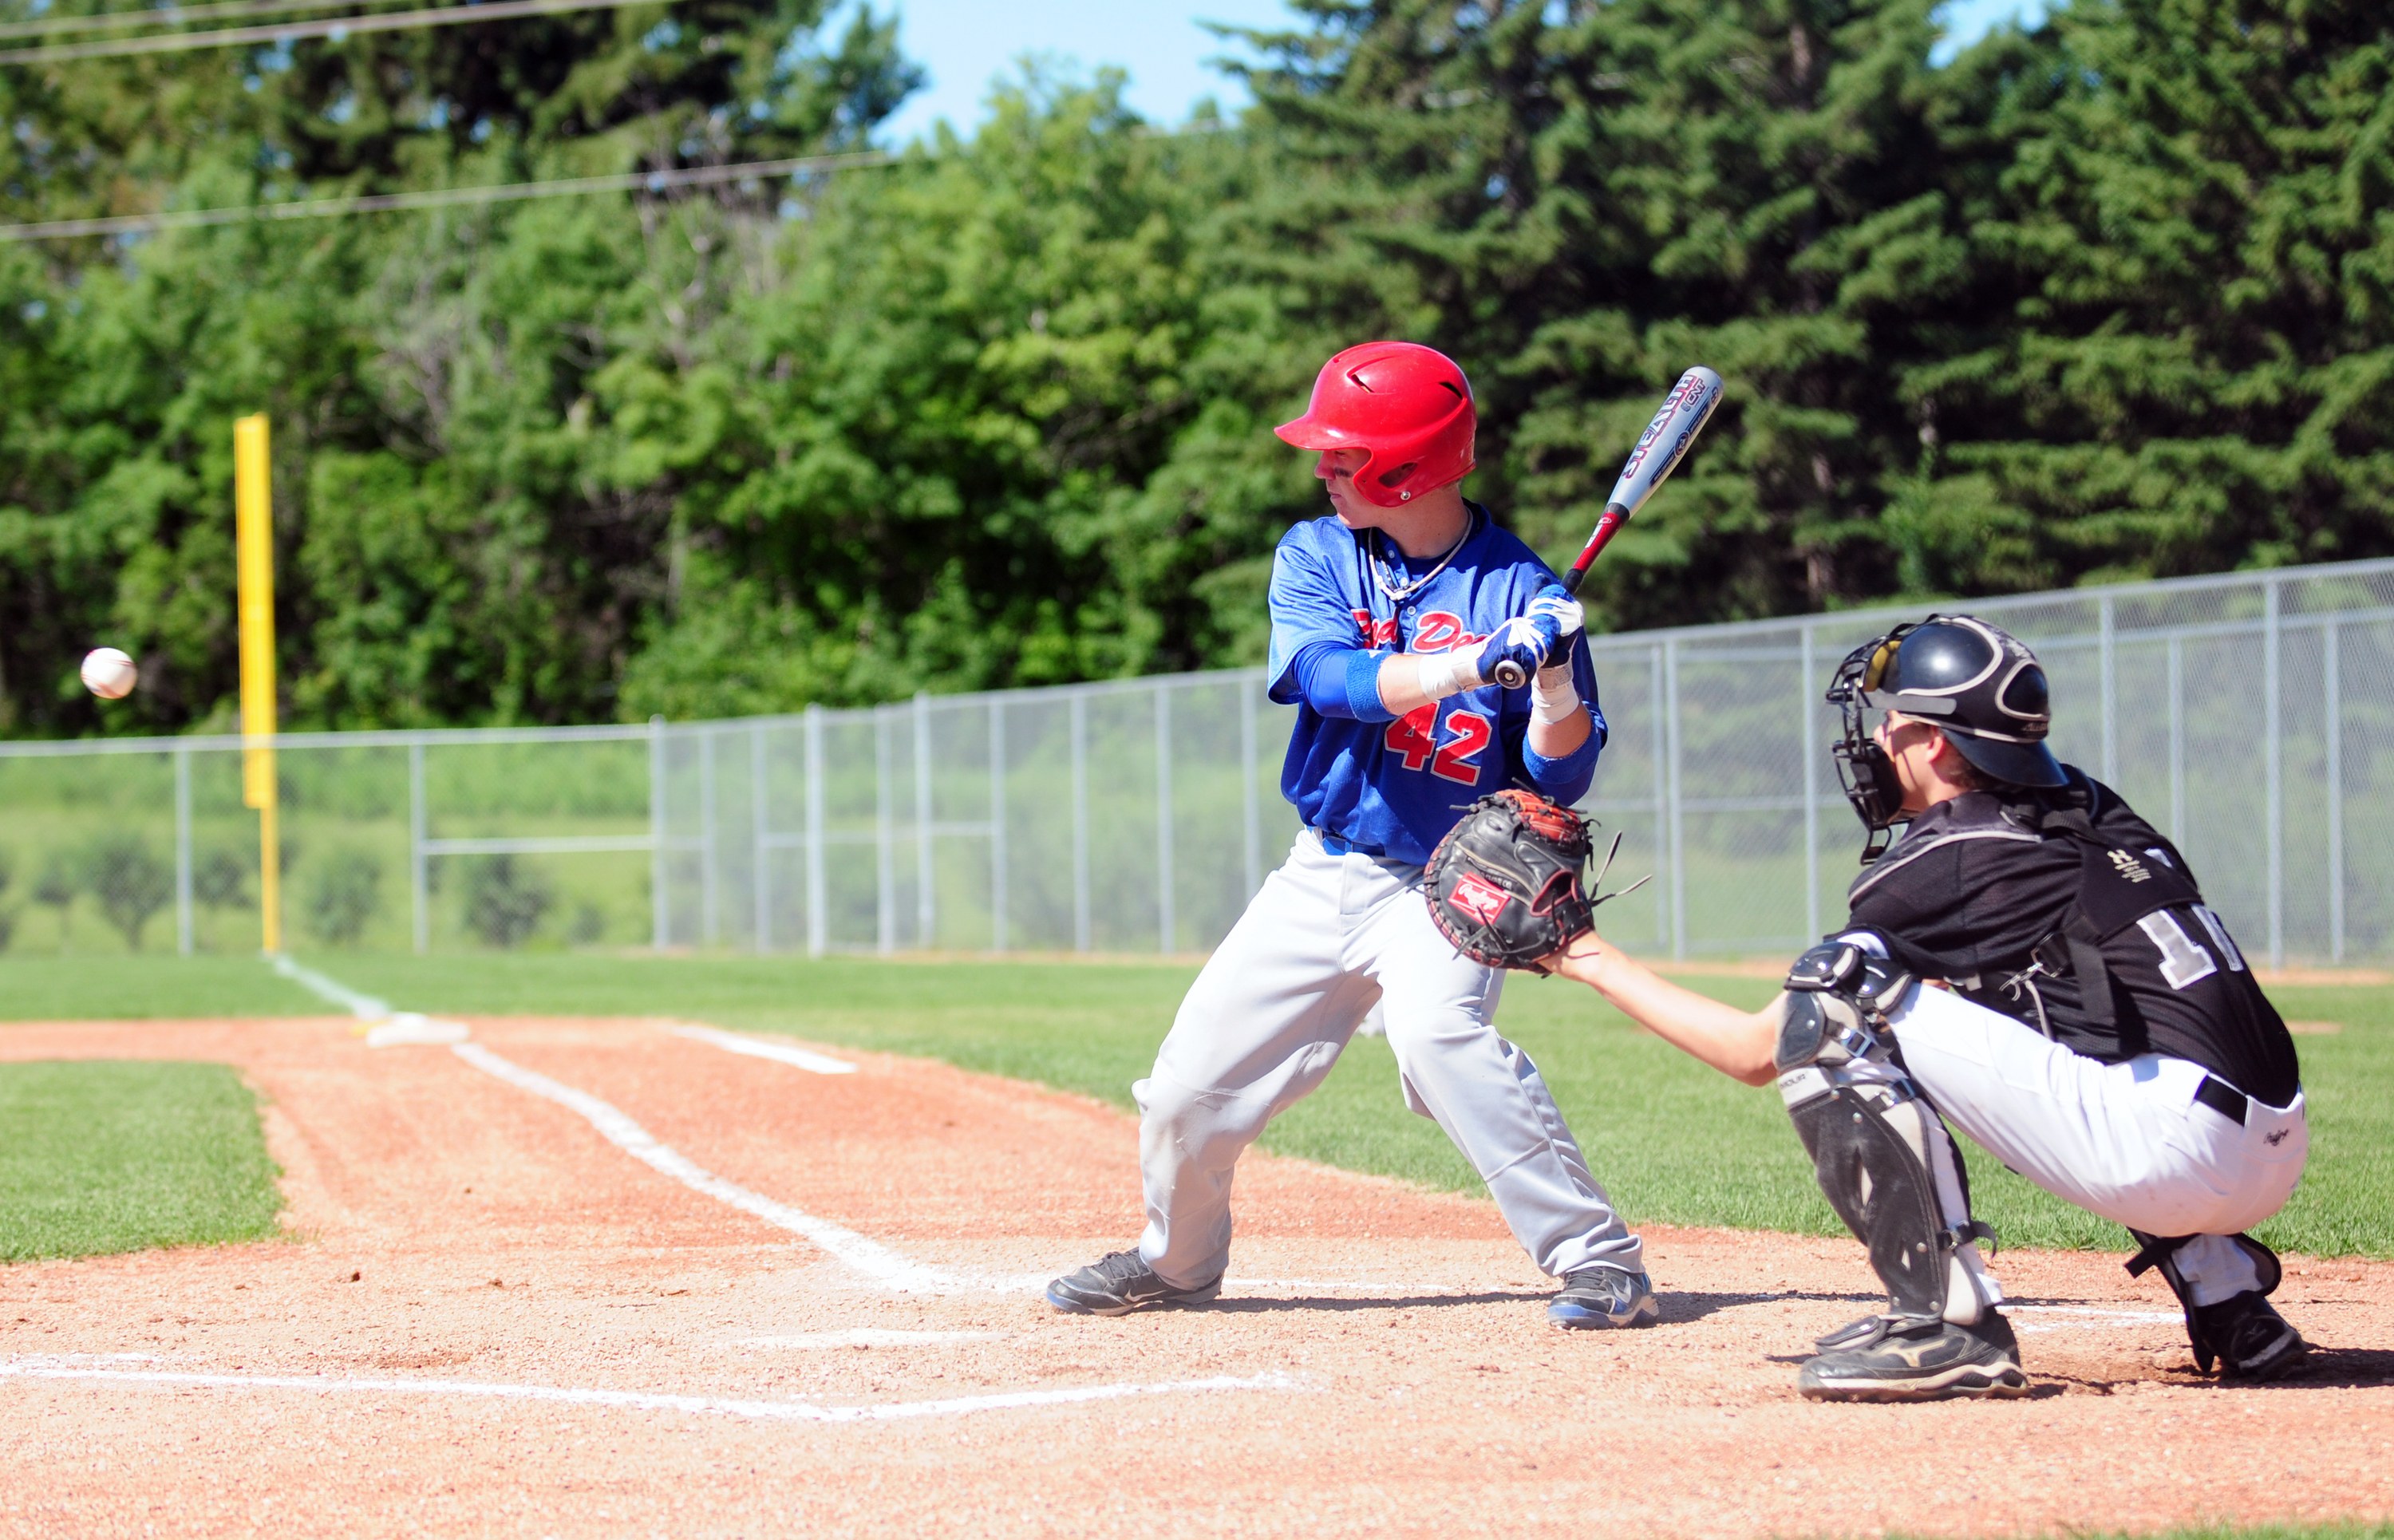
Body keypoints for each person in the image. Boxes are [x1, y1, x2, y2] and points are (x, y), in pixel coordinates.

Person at [1046, 340, 1656, 1329]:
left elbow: (1564, 771)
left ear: (1409, 467)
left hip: (1451, 887)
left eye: (1345, 453)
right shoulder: (1318, 553)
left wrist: (1550, 679)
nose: (1324, 467)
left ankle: (1599, 1261)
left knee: (1437, 1038)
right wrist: (1473, 662)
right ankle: (1178, 1261)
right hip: (1322, 869)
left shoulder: (1524, 590)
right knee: (1182, 1092)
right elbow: (1330, 680)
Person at [1543, 614, 2308, 1399]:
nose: (1879, 742)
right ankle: (2229, 1297)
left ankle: (1951, 1322)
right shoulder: (2094, 805)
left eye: (1893, 724)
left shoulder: (1945, 858)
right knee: (2036, 1007)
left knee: (1837, 1004)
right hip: (2274, 1144)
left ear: (1936, 744)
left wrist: (1587, 958)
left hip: (2172, 1151)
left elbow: (1755, 1051)